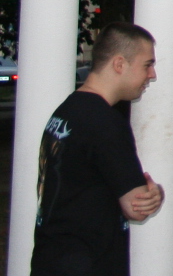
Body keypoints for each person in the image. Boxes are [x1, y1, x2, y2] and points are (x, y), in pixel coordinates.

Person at [33, 22, 164, 276]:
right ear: (119, 64)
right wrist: (155, 193)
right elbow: (136, 207)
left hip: (50, 258)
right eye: (147, 65)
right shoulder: (105, 123)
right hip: (88, 263)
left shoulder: (66, 110)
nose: (152, 75)